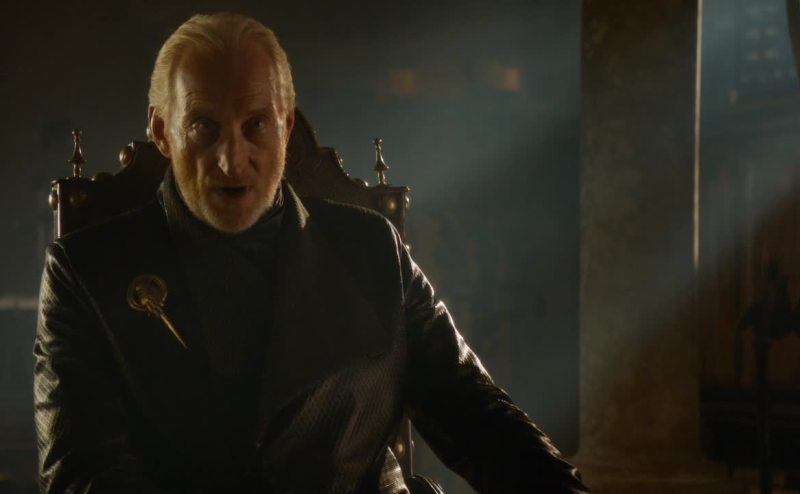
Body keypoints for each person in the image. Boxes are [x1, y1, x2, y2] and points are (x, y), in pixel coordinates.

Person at [34, 12, 589, 494]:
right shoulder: (86, 273)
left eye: (255, 125)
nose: (233, 159)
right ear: (161, 130)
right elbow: (85, 476)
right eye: (205, 126)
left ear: (286, 123)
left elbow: (477, 416)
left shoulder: (373, 249)